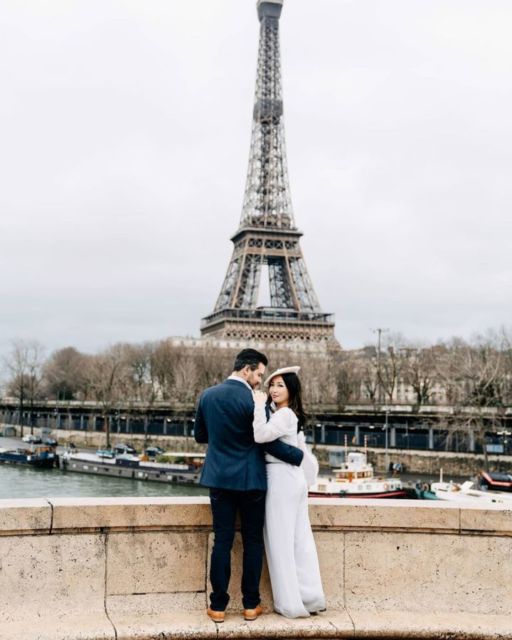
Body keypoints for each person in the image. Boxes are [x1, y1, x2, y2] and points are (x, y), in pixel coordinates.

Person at [194, 349, 304, 624]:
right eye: (259, 374)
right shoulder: (257, 402)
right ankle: (250, 605)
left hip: (219, 478)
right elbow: (265, 439)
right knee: (253, 542)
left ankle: (218, 607)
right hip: (252, 479)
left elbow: (200, 436)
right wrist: (296, 456)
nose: (260, 381)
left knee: (223, 541)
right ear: (246, 370)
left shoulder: (207, 395)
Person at [253, 366, 326, 618]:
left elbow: (260, 435)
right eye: (271, 384)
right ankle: (310, 596)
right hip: (292, 479)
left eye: (280, 385)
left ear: (291, 390)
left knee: (280, 542)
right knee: (299, 541)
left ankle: (289, 603)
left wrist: (257, 405)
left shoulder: (283, 415)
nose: (273, 389)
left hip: (281, 479)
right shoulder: (288, 414)